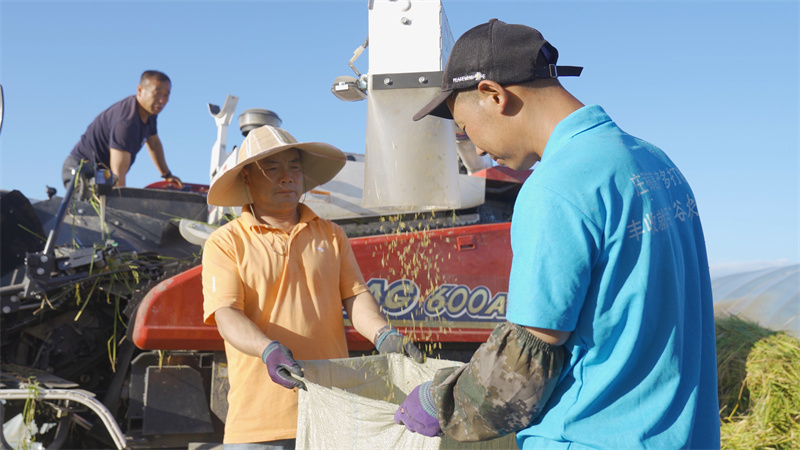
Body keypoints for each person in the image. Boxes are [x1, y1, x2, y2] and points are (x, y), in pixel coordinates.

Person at [395, 19, 720, 449]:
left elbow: (525, 362)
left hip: (590, 436)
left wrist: (442, 401)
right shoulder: (655, 163)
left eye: (465, 129)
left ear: (495, 95)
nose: (476, 148)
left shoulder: (555, 186)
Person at [201, 125, 423, 448]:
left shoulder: (332, 235)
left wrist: (382, 333)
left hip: (332, 413)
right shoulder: (226, 242)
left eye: (294, 166)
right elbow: (226, 315)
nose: (287, 177)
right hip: (260, 422)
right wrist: (267, 349)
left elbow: (355, 296)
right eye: (272, 167)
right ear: (246, 177)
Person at [62, 70, 182, 198]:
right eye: (157, 94)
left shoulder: (150, 113)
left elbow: (153, 143)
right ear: (140, 90)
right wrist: (121, 203)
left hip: (104, 175)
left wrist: (166, 174)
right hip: (82, 171)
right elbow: (118, 174)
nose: (162, 101)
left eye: (166, 95)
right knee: (99, 210)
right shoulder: (126, 123)